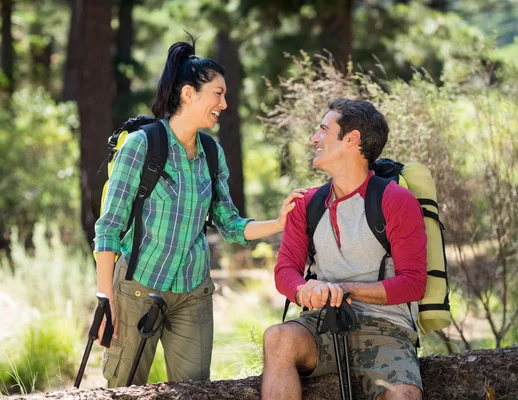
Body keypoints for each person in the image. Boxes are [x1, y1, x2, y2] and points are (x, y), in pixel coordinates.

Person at [94, 38, 305, 388]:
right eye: (218, 94)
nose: (224, 103)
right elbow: (109, 227)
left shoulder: (212, 152)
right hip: (136, 289)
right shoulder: (141, 145)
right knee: (124, 392)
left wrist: (279, 224)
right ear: (189, 94)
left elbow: (231, 225)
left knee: (193, 393)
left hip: (194, 293)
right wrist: (105, 300)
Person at [261, 99, 428, 400]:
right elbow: (285, 271)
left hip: (386, 328)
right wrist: (304, 291)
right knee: (278, 338)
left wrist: (344, 289)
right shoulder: (306, 204)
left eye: (324, 130)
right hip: (325, 323)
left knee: (404, 395)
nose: (314, 138)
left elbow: (414, 284)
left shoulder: (396, 201)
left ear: (351, 139)